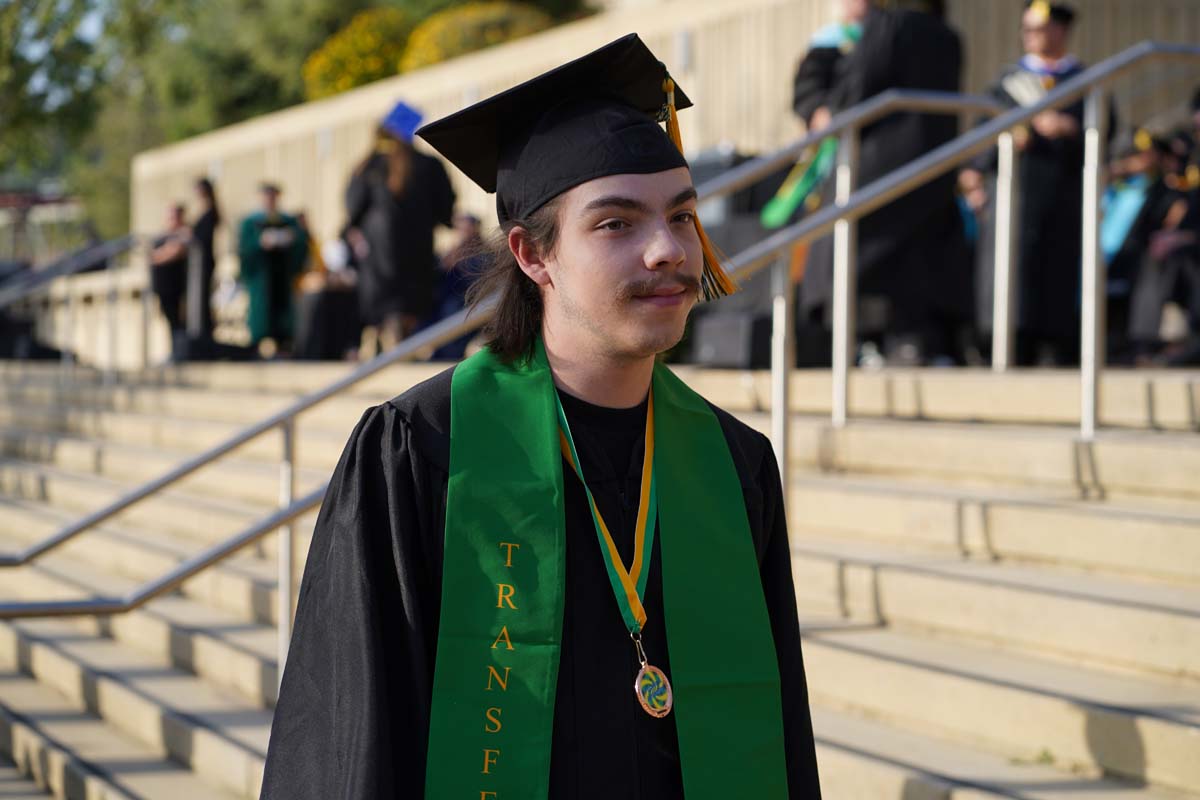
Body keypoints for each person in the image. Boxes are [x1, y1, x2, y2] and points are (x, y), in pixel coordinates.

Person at [260, 34, 822, 799]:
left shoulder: (734, 463)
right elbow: (350, 745)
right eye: (617, 224)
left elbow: (778, 738)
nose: (668, 250)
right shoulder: (423, 453)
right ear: (532, 254)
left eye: (683, 217)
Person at [798, 0, 969, 365]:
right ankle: (921, 342)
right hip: (930, 164)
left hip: (877, 163)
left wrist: (834, 108)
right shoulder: (947, 35)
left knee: (863, 254)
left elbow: (856, 89)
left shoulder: (887, 26)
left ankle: (867, 342)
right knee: (918, 257)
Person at [961, 1, 1113, 366]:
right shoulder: (1008, 82)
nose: (1031, 37)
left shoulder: (1082, 81)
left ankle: (1057, 348)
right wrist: (999, 148)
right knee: (1010, 273)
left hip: (1063, 192)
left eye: (1039, 29)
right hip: (1014, 192)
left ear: (1060, 31)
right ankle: (1005, 346)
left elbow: (1108, 132)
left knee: (1058, 271)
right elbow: (981, 135)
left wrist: (1071, 129)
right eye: (1026, 30)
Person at [345, 100, 456, 358]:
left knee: (386, 303)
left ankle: (386, 337)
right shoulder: (429, 165)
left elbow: (353, 208)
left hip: (379, 255)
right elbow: (445, 208)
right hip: (416, 252)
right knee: (411, 303)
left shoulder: (369, 166)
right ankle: (404, 339)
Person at [236, 183, 307, 355]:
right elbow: (244, 249)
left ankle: (284, 344)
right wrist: (260, 243)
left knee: (283, 315)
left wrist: (290, 240)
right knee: (261, 312)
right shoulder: (251, 222)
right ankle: (257, 346)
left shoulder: (288, 221)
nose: (270, 200)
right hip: (261, 275)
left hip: (281, 274)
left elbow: (301, 243)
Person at [791, 0, 868, 135]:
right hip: (836, 129)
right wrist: (819, 110)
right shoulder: (829, 39)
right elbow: (807, 88)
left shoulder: (887, 33)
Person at [149, 203, 190, 356]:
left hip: (176, 286)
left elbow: (172, 251)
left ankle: (180, 353)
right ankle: (174, 352)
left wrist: (157, 255)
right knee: (169, 320)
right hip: (163, 286)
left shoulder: (184, 232)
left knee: (177, 322)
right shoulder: (165, 234)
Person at [191, 177, 221, 341]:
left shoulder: (210, 212)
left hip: (205, 261)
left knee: (203, 299)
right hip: (199, 262)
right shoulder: (204, 210)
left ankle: (205, 335)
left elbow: (202, 237)